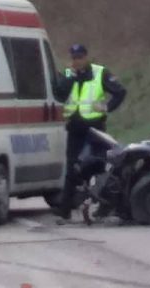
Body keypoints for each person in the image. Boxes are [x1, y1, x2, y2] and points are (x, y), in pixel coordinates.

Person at [52, 43, 126, 219]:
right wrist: (71, 77)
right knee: (72, 168)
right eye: (74, 58)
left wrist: (107, 107)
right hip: (76, 127)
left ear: (86, 57)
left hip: (95, 129)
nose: (77, 61)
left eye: (80, 58)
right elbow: (60, 94)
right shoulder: (69, 73)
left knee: (99, 166)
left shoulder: (100, 73)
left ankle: (104, 206)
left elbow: (120, 92)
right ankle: (65, 211)